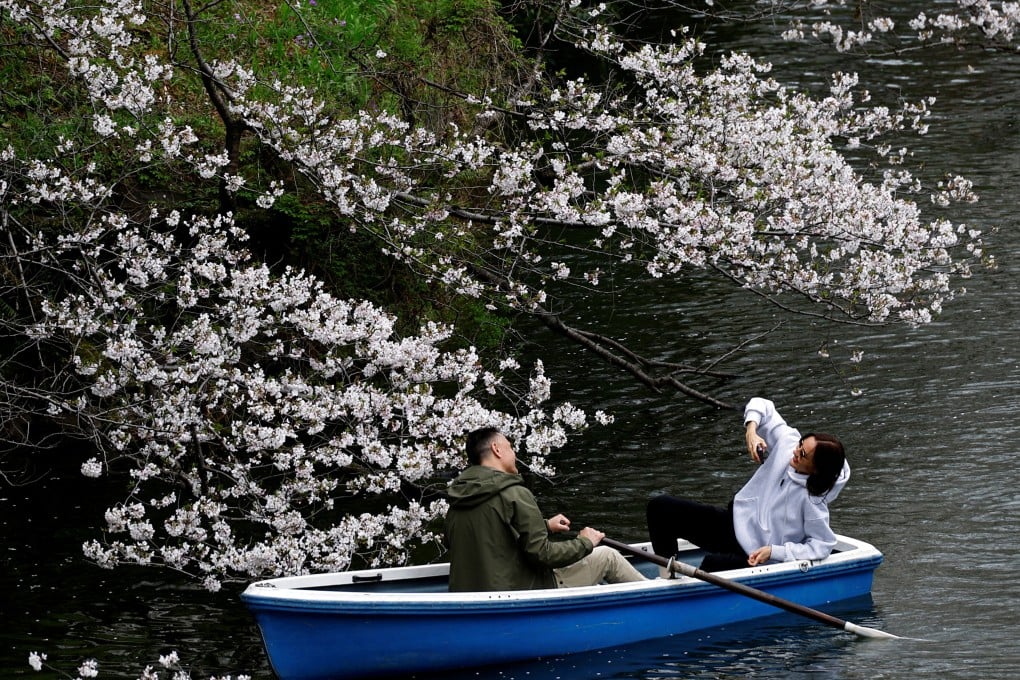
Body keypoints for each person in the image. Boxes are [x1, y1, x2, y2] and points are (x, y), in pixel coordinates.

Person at [646, 397, 850, 572]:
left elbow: (822, 545)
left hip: (756, 555)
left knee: (711, 565)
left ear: (816, 469)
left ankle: (689, 603)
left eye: (803, 454)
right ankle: (667, 578)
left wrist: (775, 551)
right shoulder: (788, 444)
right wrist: (751, 431)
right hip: (732, 524)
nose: (796, 452)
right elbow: (762, 405)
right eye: (800, 445)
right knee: (661, 508)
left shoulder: (813, 501)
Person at [445, 427, 647, 592]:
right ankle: (655, 594)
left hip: (472, 594)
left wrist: (545, 526)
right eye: (510, 447)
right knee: (607, 556)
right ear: (497, 449)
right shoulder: (514, 493)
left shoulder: (458, 498)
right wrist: (585, 542)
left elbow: (491, 535)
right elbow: (544, 554)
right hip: (523, 590)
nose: (514, 453)